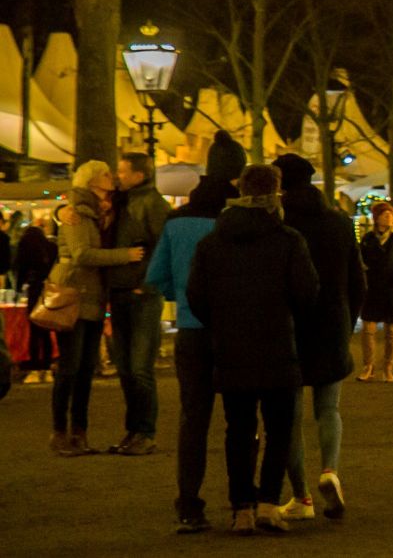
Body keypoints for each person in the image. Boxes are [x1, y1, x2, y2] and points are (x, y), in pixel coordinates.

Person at [186, 164, 319, 535]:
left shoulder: (213, 242)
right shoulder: (288, 240)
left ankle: (240, 507)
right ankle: (267, 504)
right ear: (276, 193)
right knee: (279, 428)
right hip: (278, 343)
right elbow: (307, 292)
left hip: (231, 347)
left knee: (239, 429)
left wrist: (221, 323)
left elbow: (196, 296)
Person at [145, 128, 244, 533]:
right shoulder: (238, 220)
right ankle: (244, 502)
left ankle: (189, 503)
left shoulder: (177, 221)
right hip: (237, 332)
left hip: (191, 330)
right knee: (240, 420)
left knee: (194, 420)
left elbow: (156, 276)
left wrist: (183, 296)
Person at [272, 154, 365, 523]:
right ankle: (330, 469)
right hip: (332, 321)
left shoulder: (280, 223)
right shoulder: (339, 222)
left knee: (290, 415)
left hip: (291, 325)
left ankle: (301, 496)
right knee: (329, 407)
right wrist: (348, 318)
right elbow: (357, 279)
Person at [50, 161, 145, 457]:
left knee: (85, 369)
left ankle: (79, 432)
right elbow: (81, 253)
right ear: (92, 181)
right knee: (69, 368)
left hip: (92, 298)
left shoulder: (102, 209)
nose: (112, 178)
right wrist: (124, 256)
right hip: (75, 296)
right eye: (106, 174)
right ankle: (61, 433)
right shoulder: (78, 212)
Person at [106, 151, 172, 457]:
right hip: (122, 290)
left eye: (123, 171)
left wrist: (145, 284)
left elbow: (162, 246)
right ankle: (134, 430)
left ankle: (145, 431)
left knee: (139, 367)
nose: (118, 176)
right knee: (126, 367)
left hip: (140, 294)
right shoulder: (124, 203)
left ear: (139, 175)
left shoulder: (151, 204)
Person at [358, 201, 393, 383]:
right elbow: (360, 262)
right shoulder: (367, 239)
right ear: (377, 219)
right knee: (368, 329)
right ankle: (369, 366)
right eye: (385, 215)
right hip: (373, 289)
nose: (389, 217)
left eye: (391, 215)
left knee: (392, 330)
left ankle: (388, 368)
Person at [15, 208, 59, 385]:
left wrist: (18, 290)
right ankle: (47, 365)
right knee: (46, 329)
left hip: (33, 289)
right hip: (49, 289)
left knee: (34, 330)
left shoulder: (24, 247)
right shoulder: (51, 247)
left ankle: (35, 365)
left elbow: (20, 270)